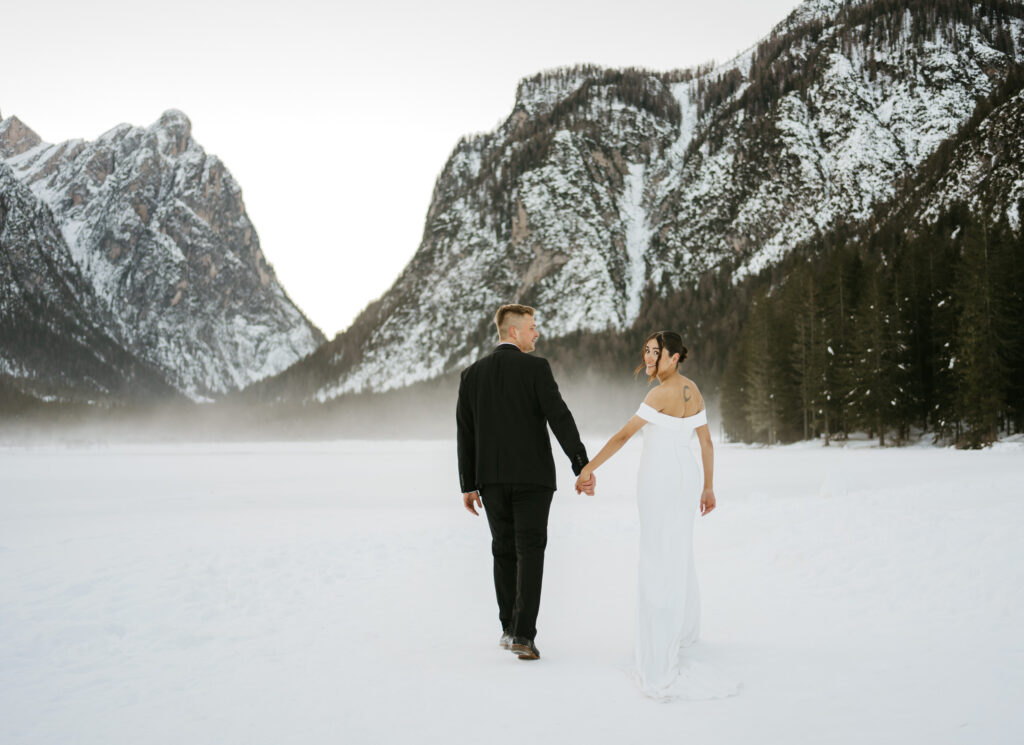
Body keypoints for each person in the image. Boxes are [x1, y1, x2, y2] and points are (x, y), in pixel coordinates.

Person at [574, 331, 736, 699]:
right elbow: (707, 442)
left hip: (661, 480)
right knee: (678, 550)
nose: (648, 358)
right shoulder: (692, 390)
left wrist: (587, 469)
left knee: (656, 556)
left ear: (674, 356)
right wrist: (708, 486)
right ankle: (683, 631)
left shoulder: (658, 393)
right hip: (687, 477)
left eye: (655, 353)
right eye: (646, 351)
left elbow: (622, 436)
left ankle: (659, 653)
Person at [457, 304, 594, 661]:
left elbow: (465, 433)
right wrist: (581, 464)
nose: (537, 334)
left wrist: (467, 484)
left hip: (490, 480)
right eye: (532, 327)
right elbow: (559, 417)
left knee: (503, 549)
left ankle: (508, 627)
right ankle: (523, 635)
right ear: (514, 332)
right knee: (529, 551)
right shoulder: (536, 368)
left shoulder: (471, 374)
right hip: (533, 479)